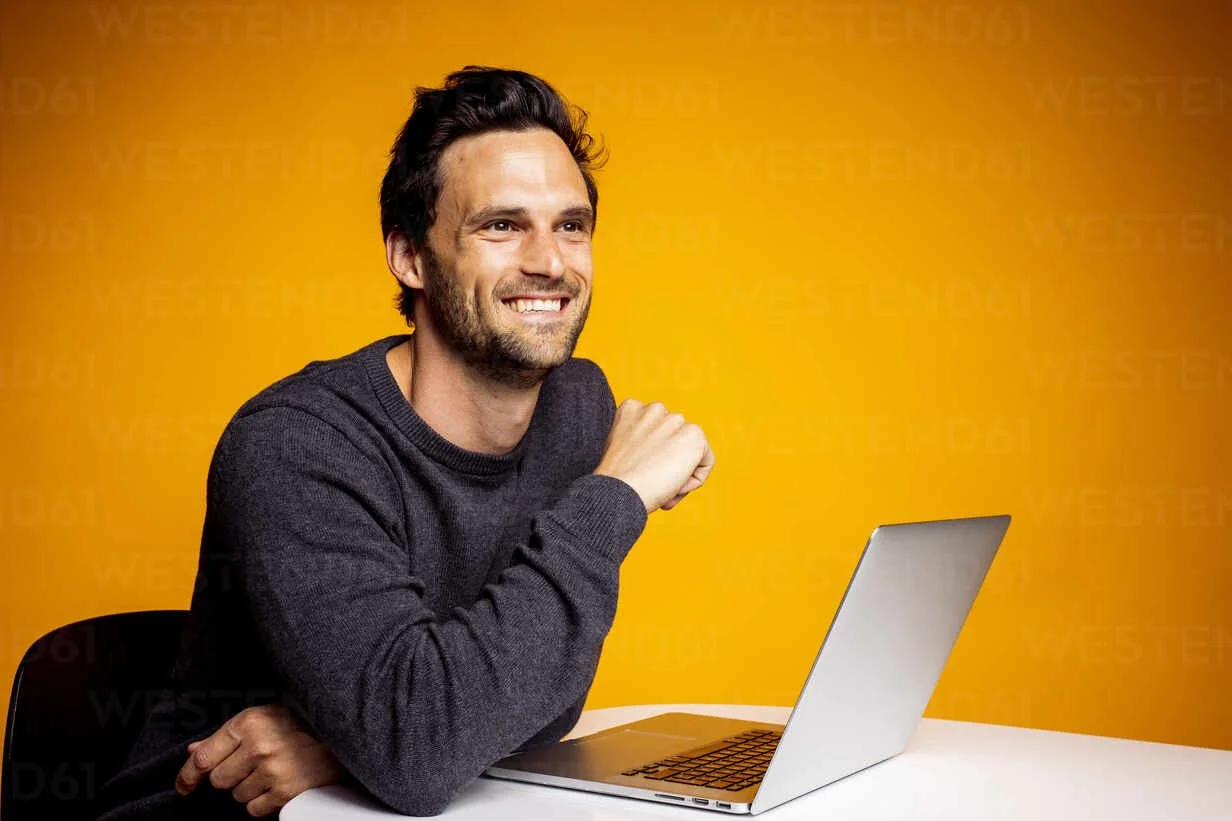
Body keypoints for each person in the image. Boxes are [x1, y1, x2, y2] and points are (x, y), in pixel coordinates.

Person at [95, 65, 714, 820]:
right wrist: (612, 498)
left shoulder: (576, 409)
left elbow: (539, 700)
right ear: (410, 257)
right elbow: (420, 753)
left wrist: (351, 741)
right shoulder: (294, 448)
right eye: (501, 224)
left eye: (570, 224)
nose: (550, 261)